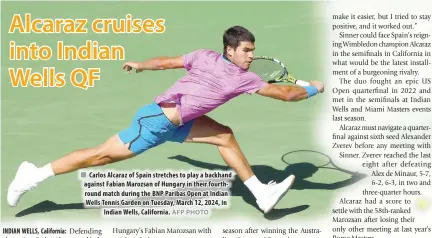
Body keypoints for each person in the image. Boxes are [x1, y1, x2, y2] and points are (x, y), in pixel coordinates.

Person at [8, 26, 324, 214]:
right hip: (155, 122)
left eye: (253, 51)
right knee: (98, 157)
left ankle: (260, 192)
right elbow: (284, 95)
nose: (251, 56)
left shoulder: (215, 61)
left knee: (224, 135)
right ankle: (33, 175)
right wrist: (311, 89)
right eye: (246, 50)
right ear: (229, 50)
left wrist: (143, 65)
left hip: (182, 122)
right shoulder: (236, 74)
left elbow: (165, 63)